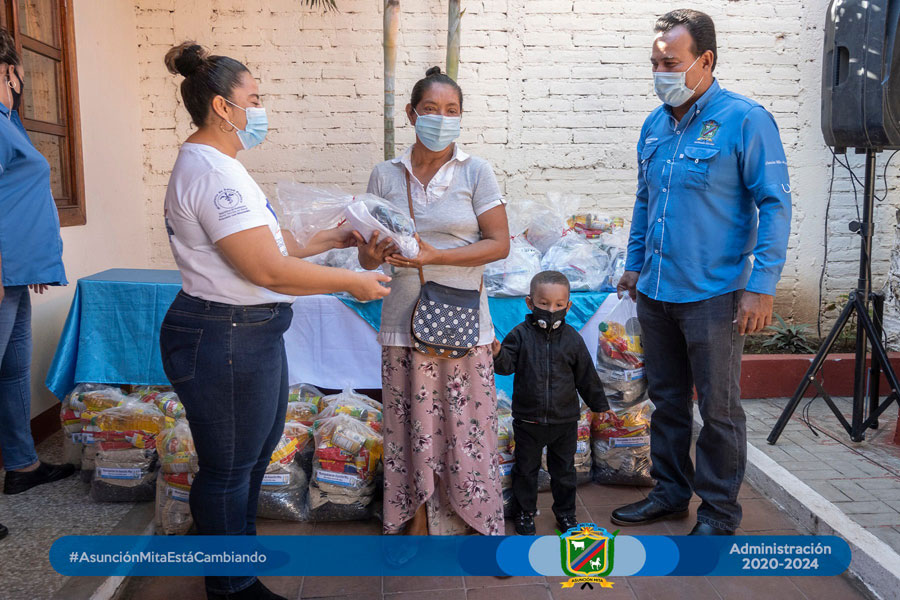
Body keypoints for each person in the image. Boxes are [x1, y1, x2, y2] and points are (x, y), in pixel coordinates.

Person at [160, 42, 390, 600]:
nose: (261, 110)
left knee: (249, 458)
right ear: (223, 106)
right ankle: (232, 585)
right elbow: (267, 269)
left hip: (245, 332)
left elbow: (272, 244)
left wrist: (334, 238)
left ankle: (235, 567)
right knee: (229, 469)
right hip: (226, 334)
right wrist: (352, 283)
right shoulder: (213, 173)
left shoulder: (221, 166)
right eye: (255, 99)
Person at [612, 10, 792, 536]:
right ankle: (670, 493)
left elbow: (775, 204)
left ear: (705, 60)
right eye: (654, 63)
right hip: (656, 291)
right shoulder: (654, 124)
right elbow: (645, 200)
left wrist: (761, 286)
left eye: (670, 63)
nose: (659, 73)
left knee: (719, 411)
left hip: (714, 294)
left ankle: (717, 513)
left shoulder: (745, 119)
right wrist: (634, 264)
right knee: (666, 402)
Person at [357, 66, 510, 536]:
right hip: (403, 320)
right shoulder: (385, 175)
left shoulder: (476, 171)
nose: (441, 119)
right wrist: (374, 253)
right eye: (430, 109)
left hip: (462, 319)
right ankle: (416, 516)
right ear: (411, 113)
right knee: (409, 426)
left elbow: (499, 244)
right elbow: (365, 257)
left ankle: (473, 517)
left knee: (468, 425)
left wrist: (437, 255)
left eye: (451, 110)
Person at [0, 27, 74, 540]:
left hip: (16, 274)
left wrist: (35, 262)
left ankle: (22, 466)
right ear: (10, 70)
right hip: (2, 274)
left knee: (11, 374)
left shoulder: (10, 122)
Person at [492, 271, 614, 535]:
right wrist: (498, 353)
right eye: (544, 303)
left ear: (568, 306)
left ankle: (566, 514)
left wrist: (600, 407)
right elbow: (505, 367)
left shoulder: (572, 339)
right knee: (526, 470)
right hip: (528, 420)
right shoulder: (520, 335)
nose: (551, 310)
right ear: (530, 302)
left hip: (564, 420)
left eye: (559, 304)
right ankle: (525, 512)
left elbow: (586, 376)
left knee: (564, 471)